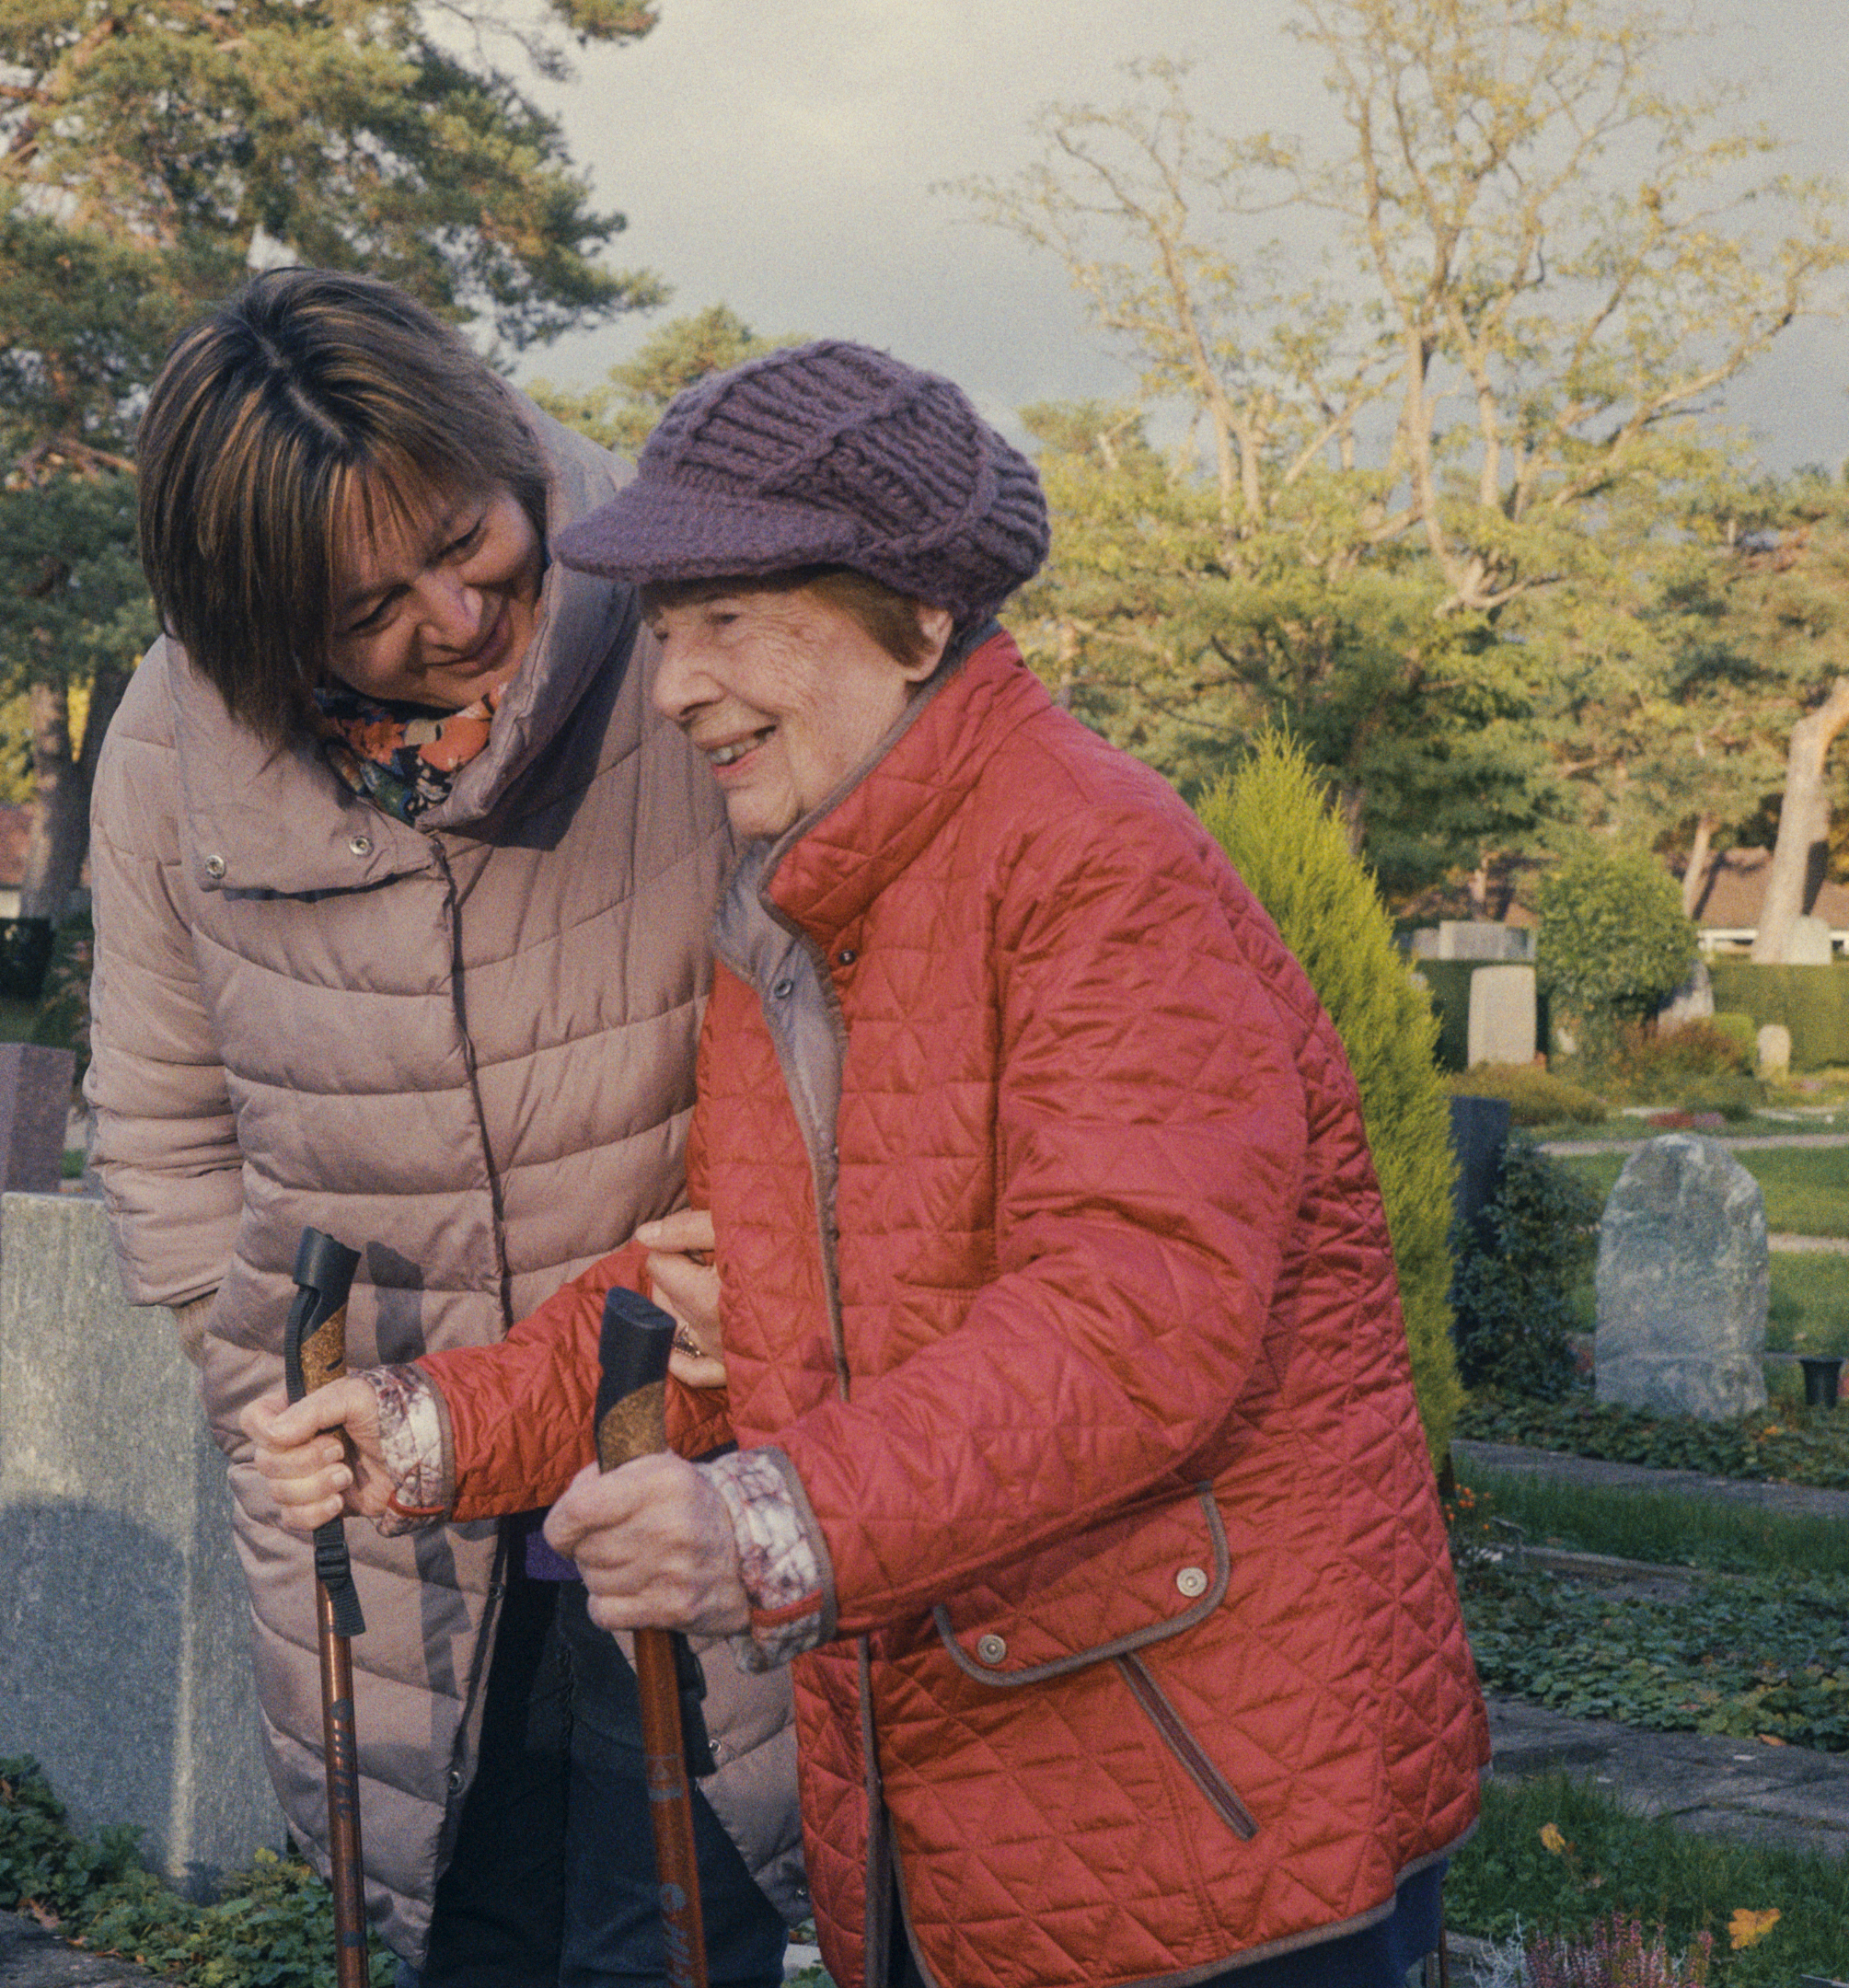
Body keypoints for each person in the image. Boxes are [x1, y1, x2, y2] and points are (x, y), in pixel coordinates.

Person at [247, 341, 1493, 1988]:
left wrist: (770, 1521)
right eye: (667, 629)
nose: (676, 682)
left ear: (917, 618)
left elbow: (1134, 1327)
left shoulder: (1097, 862)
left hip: (1202, 1805)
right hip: (962, 1797)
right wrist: (426, 1425)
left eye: (732, 621)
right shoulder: (799, 907)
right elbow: (720, 1297)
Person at [87, 267, 803, 1987]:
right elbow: (166, 1124)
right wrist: (236, 1355)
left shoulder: (679, 626)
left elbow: (819, 1003)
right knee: (459, 1931)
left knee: (678, 1929)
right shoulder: (173, 745)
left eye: (466, 541)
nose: (454, 614)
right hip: (378, 1461)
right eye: (368, 605)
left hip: (680, 1421)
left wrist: (746, 1314)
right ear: (256, 623)